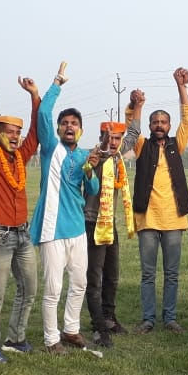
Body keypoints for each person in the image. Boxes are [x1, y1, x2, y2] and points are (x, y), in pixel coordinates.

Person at [29, 63, 101, 355]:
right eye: (65, 123)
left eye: (74, 124)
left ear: (81, 130)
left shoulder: (84, 154)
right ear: (58, 129)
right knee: (53, 288)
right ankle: (51, 339)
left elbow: (92, 190)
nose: (69, 127)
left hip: (77, 229)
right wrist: (56, 83)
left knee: (80, 282)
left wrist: (90, 170)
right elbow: (43, 114)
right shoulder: (50, 147)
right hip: (52, 228)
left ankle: (71, 329)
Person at [124, 83, 188, 334]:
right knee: (148, 274)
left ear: (169, 125)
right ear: (150, 125)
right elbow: (131, 126)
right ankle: (148, 319)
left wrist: (181, 86)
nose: (159, 126)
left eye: (164, 122)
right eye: (155, 122)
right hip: (148, 219)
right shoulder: (142, 145)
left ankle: (170, 318)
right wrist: (135, 104)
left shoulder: (177, 144)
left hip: (174, 220)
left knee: (172, 274)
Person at [0, 79, 41, 360]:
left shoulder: (20, 156)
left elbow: (36, 133)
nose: (16, 136)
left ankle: (16, 338)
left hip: (23, 234)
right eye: (9, 132)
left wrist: (34, 95)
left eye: (17, 132)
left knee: (29, 289)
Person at [84, 119, 135, 347]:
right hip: (92, 222)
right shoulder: (96, 157)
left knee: (112, 275)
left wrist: (137, 105)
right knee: (95, 278)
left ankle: (109, 318)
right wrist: (100, 150)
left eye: (117, 139)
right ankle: (98, 327)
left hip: (109, 222)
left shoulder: (117, 156)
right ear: (102, 137)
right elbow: (100, 158)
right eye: (109, 137)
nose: (114, 142)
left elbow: (133, 133)